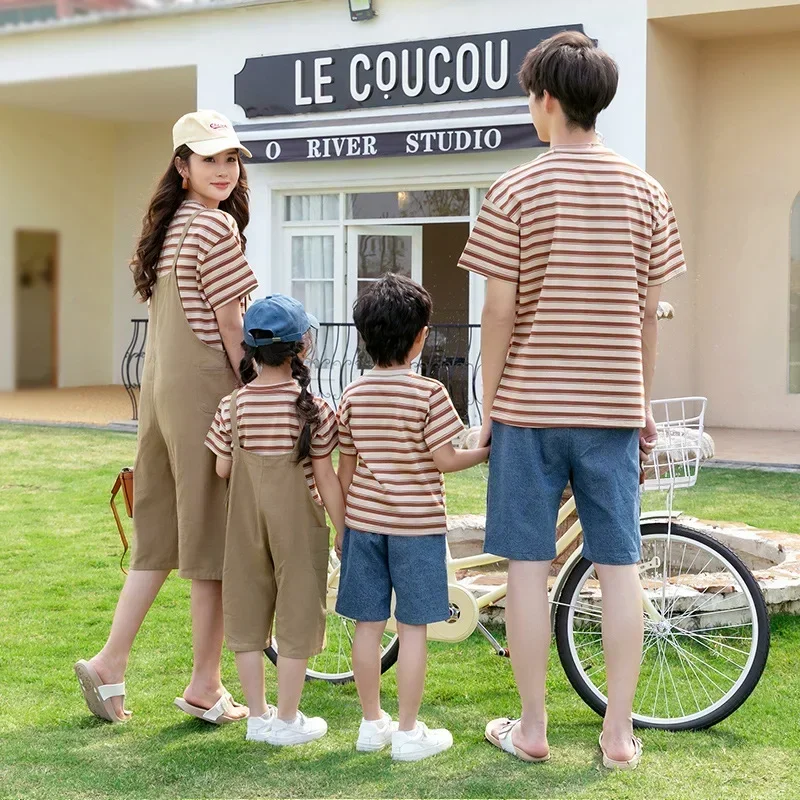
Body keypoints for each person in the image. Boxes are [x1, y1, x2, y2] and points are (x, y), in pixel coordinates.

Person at [458, 31, 686, 770]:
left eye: (531, 95)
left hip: (529, 409)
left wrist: (491, 405)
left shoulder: (514, 189)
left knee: (525, 568)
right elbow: (647, 314)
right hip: (614, 410)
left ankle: (532, 728)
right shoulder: (647, 192)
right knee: (618, 567)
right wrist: (643, 402)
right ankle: (618, 735)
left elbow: (498, 311)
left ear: (547, 99)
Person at [75, 110, 258, 725]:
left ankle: (109, 664)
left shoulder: (171, 229)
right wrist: (260, 390)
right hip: (204, 393)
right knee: (213, 547)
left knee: (158, 539)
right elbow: (234, 330)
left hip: (158, 396)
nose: (225, 170)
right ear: (182, 167)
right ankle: (206, 685)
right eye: (210, 160)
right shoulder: (216, 231)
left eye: (231, 158)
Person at [335, 274, 490, 762]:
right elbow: (446, 459)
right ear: (421, 336)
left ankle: (370, 724)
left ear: (364, 336)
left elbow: (346, 467)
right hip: (418, 531)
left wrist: (342, 529)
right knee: (412, 629)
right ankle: (406, 733)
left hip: (362, 526)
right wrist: (483, 453)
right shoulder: (430, 395)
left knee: (367, 624)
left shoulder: (354, 394)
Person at [205, 295, 345, 746]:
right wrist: (343, 529)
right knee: (298, 614)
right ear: (301, 348)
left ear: (250, 350)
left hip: (244, 526)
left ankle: (258, 717)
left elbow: (223, 469)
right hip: (299, 528)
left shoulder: (233, 406)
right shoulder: (316, 409)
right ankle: (287, 720)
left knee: (247, 615)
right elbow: (325, 476)